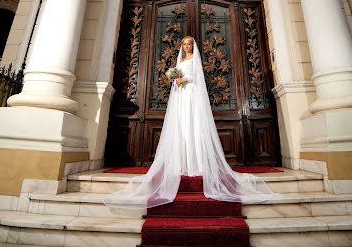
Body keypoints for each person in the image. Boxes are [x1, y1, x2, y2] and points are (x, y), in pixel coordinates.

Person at [104, 36, 281, 210]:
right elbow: (175, 83)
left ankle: (197, 164)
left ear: (193, 46)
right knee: (181, 128)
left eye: (190, 44)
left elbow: (197, 78)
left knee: (193, 127)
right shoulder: (180, 59)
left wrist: (183, 79)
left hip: (191, 96)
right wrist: (175, 81)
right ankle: (181, 163)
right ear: (181, 45)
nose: (187, 46)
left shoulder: (195, 59)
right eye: (185, 44)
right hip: (180, 96)